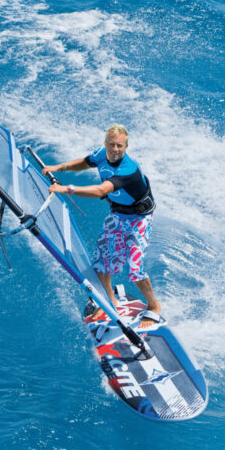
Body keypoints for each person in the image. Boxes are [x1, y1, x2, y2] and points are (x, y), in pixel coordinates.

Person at [43, 124, 164, 329]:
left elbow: (101, 190)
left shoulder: (128, 169)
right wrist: (59, 167)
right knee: (102, 261)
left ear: (126, 147)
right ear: (105, 143)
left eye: (119, 146)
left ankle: (153, 306)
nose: (114, 149)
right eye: (111, 145)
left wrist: (67, 188)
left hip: (138, 220)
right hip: (118, 214)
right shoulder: (102, 154)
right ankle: (110, 301)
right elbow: (84, 162)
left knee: (134, 269)